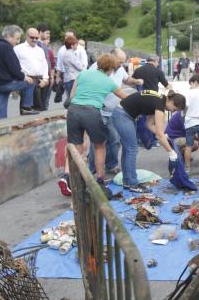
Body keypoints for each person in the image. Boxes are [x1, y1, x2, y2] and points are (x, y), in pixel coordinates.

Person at [58, 53, 129, 196]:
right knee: (99, 145)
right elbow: (125, 98)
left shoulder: (84, 74)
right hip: (91, 112)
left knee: (74, 146)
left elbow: (72, 95)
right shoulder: (109, 82)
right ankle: (100, 178)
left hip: (73, 111)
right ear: (111, 69)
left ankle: (66, 176)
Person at [112, 88, 185, 192]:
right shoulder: (160, 105)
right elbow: (159, 135)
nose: (172, 112)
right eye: (174, 109)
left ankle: (128, 182)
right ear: (172, 102)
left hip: (123, 113)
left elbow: (149, 125)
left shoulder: (159, 100)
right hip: (123, 115)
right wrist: (171, 152)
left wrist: (164, 135)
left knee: (128, 149)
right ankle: (132, 184)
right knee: (132, 149)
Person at [87, 48, 143, 176]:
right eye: (119, 62)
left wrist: (135, 81)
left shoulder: (119, 69)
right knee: (97, 142)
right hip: (98, 110)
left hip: (113, 111)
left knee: (114, 139)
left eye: (123, 62)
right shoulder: (97, 68)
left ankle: (111, 165)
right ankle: (92, 169)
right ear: (111, 58)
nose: (121, 65)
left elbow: (126, 80)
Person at [0, 25, 34, 119]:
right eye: (17, 38)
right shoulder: (7, 47)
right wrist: (24, 77)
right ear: (8, 36)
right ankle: (26, 108)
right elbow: (14, 68)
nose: (18, 41)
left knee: (0, 109)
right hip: (6, 83)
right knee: (30, 83)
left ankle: (0, 129)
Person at [14, 28, 49, 115]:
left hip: (41, 80)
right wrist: (22, 77)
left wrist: (45, 79)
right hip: (27, 80)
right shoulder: (18, 48)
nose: (34, 40)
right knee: (27, 109)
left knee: (42, 108)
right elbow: (15, 66)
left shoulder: (40, 50)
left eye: (36, 38)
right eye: (32, 37)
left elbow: (45, 65)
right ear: (26, 36)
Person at [35, 23, 55, 111]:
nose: (48, 36)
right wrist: (46, 78)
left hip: (45, 78)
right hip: (41, 79)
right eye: (47, 33)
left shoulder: (42, 45)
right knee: (41, 105)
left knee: (43, 103)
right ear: (40, 32)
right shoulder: (38, 45)